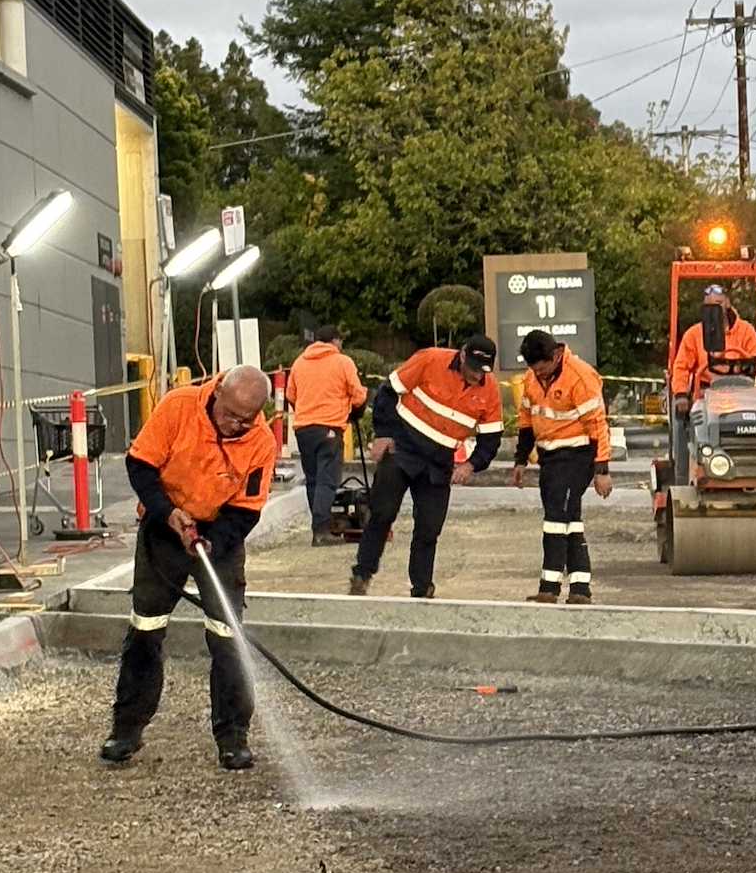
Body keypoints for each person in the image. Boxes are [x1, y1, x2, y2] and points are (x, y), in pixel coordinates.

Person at [99, 365, 275, 771]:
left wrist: (217, 543)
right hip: (164, 527)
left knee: (228, 634)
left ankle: (233, 736)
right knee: (145, 628)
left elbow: (247, 508)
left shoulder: (261, 443)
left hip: (219, 535)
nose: (233, 425)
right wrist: (167, 513)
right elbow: (140, 464)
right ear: (216, 395)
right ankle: (126, 729)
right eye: (228, 414)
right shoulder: (179, 406)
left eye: (244, 420)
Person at [348, 335, 503, 598]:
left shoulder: (489, 391)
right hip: (403, 448)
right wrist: (383, 434)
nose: (478, 376)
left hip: (439, 462)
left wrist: (471, 465)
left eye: (484, 371)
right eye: (474, 368)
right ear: (462, 356)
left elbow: (491, 439)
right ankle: (362, 574)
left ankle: (421, 587)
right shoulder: (430, 360)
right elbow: (387, 392)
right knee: (382, 514)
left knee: (429, 527)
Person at [509, 330, 612, 604]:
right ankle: (580, 588)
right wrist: (520, 460)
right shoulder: (532, 377)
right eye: (534, 370)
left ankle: (549, 587)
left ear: (556, 356)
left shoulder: (580, 376)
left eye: (543, 369)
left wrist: (601, 471)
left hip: (577, 456)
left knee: (556, 520)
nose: (539, 376)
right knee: (569, 521)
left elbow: (598, 425)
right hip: (549, 458)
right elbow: (526, 420)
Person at [286, 325, 367, 544]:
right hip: (329, 427)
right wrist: (353, 411)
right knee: (327, 480)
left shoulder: (299, 363)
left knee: (312, 480)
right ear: (335, 341)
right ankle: (321, 530)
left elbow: (290, 395)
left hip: (303, 429)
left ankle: (319, 527)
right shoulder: (342, 362)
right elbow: (358, 396)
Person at [671, 285, 756, 417]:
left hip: (742, 391)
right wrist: (680, 394)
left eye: (719, 304)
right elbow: (681, 367)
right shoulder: (694, 334)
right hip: (706, 392)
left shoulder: (746, 331)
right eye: (710, 306)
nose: (715, 310)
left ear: (727, 303)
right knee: (698, 416)